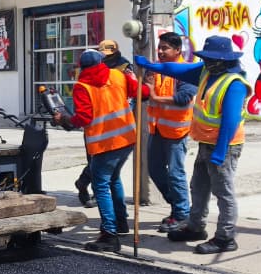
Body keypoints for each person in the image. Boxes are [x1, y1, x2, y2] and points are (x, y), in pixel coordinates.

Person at [136, 35, 250, 255]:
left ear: (224, 59)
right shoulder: (207, 72)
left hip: (224, 147)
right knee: (198, 188)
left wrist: (220, 149)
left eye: (211, 58)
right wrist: (150, 65)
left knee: (223, 192)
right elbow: (177, 70)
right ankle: (195, 227)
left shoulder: (234, 83)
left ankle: (225, 237)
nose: (206, 61)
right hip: (206, 142)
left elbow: (230, 120)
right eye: (205, 57)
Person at [54, 48, 139, 254]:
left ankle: (109, 235)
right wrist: (134, 79)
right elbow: (141, 94)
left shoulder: (82, 86)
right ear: (101, 62)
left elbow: (83, 118)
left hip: (104, 143)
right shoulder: (118, 75)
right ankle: (121, 222)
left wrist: (63, 119)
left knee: (101, 185)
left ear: (81, 67)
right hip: (127, 138)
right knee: (114, 179)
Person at [143, 32, 197, 232]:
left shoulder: (186, 71)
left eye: (165, 48)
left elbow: (184, 98)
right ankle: (178, 208)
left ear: (177, 50)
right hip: (156, 128)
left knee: (175, 174)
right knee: (155, 170)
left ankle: (182, 214)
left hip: (176, 131)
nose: (161, 51)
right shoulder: (156, 69)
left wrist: (155, 97)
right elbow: (146, 93)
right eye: (160, 47)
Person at [73, 39, 132, 207]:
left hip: (118, 124)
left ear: (116, 53)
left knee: (108, 170)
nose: (107, 59)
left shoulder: (124, 69)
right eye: (104, 56)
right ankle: (86, 185)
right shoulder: (90, 73)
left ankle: (101, 200)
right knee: (96, 163)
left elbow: (134, 93)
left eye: (109, 55)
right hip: (98, 125)